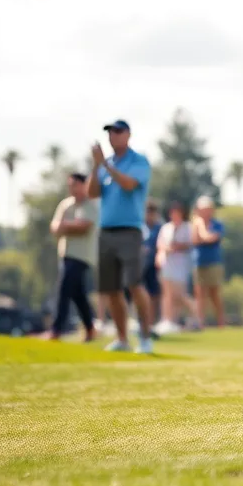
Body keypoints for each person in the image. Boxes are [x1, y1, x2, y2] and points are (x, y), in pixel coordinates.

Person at [88, 119, 156, 354]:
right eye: (109, 132)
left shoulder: (138, 161)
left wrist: (104, 165)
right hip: (106, 231)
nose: (112, 136)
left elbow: (128, 184)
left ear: (128, 134)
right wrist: (95, 166)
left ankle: (146, 337)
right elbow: (92, 192)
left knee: (134, 284)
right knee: (111, 289)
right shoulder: (106, 164)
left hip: (130, 231)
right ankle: (122, 339)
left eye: (117, 131)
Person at [47, 173, 99, 341]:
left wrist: (65, 226)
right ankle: (91, 329)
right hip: (65, 254)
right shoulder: (66, 205)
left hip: (82, 256)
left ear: (84, 185)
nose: (72, 188)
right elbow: (54, 227)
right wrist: (70, 226)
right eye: (70, 185)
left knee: (64, 289)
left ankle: (56, 330)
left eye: (76, 185)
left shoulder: (90, 205)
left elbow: (84, 227)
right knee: (78, 294)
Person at [155, 202, 196, 332]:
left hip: (181, 265)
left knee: (180, 295)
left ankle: (195, 316)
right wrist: (163, 253)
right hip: (167, 264)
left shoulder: (187, 227)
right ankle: (167, 320)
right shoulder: (166, 228)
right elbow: (160, 244)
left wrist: (175, 247)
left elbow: (189, 244)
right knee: (167, 294)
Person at [191, 196, 226, 328]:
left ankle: (221, 323)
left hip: (214, 262)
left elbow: (210, 238)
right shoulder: (196, 224)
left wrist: (201, 230)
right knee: (199, 293)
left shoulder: (217, 224)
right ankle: (200, 323)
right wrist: (199, 228)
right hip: (199, 262)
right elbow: (195, 240)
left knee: (214, 293)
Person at [141, 202, 163, 330]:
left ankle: (151, 322)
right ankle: (142, 320)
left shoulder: (160, 228)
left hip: (154, 265)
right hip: (140, 265)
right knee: (141, 293)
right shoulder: (140, 226)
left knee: (154, 294)